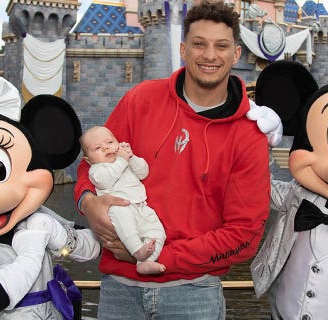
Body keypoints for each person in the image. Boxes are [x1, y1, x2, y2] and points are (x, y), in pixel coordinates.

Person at [73, 1, 271, 318]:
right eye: (199, 44)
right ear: (183, 48)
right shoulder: (141, 100)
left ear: (236, 54)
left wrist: (162, 256)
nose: (209, 55)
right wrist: (87, 201)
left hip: (194, 295)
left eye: (221, 46)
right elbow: (91, 163)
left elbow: (243, 235)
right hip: (119, 291)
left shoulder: (249, 135)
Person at [80, 125, 166, 275]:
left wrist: (131, 157)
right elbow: (105, 181)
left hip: (141, 207)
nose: (106, 148)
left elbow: (143, 172)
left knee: (157, 231)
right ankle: (138, 251)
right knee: (127, 227)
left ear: (118, 143)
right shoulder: (96, 170)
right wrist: (122, 160)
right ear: (88, 160)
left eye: (110, 142)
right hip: (118, 208)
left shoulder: (126, 161)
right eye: (98, 148)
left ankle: (146, 261)